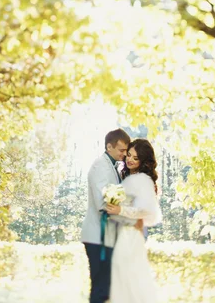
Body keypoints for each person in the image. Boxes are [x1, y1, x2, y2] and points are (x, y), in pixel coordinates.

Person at [81, 128, 140, 303]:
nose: (125, 154)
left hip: (107, 237)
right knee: (101, 287)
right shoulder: (100, 166)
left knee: (107, 288)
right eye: (122, 150)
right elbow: (103, 203)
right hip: (98, 237)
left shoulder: (112, 166)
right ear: (109, 146)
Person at [106, 139, 162, 303]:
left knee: (130, 278)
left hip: (130, 236)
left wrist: (120, 210)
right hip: (122, 234)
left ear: (143, 161)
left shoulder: (142, 180)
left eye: (135, 158)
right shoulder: (129, 178)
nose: (129, 159)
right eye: (129, 155)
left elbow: (147, 210)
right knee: (122, 278)